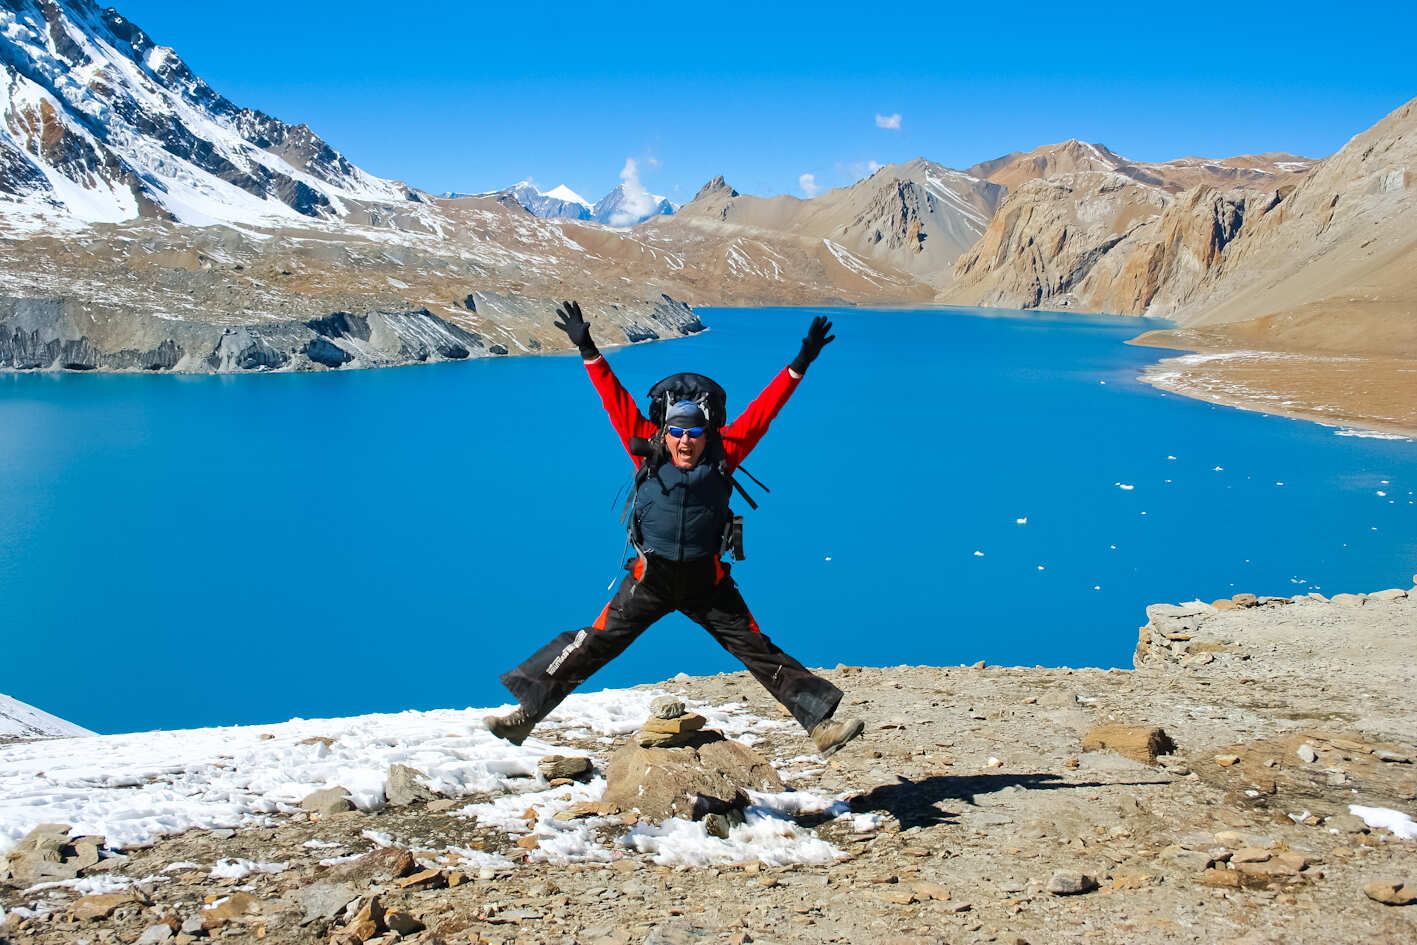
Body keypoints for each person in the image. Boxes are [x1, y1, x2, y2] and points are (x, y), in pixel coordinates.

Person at [485, 301, 864, 758]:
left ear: (708, 434)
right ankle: (525, 718)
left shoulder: (727, 454)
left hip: (708, 582)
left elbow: (766, 410)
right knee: (592, 645)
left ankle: (821, 727)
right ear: (665, 432)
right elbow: (615, 399)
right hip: (651, 580)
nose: (686, 441)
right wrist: (587, 348)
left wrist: (799, 364)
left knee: (757, 649)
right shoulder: (645, 450)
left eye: (695, 433)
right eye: (678, 432)